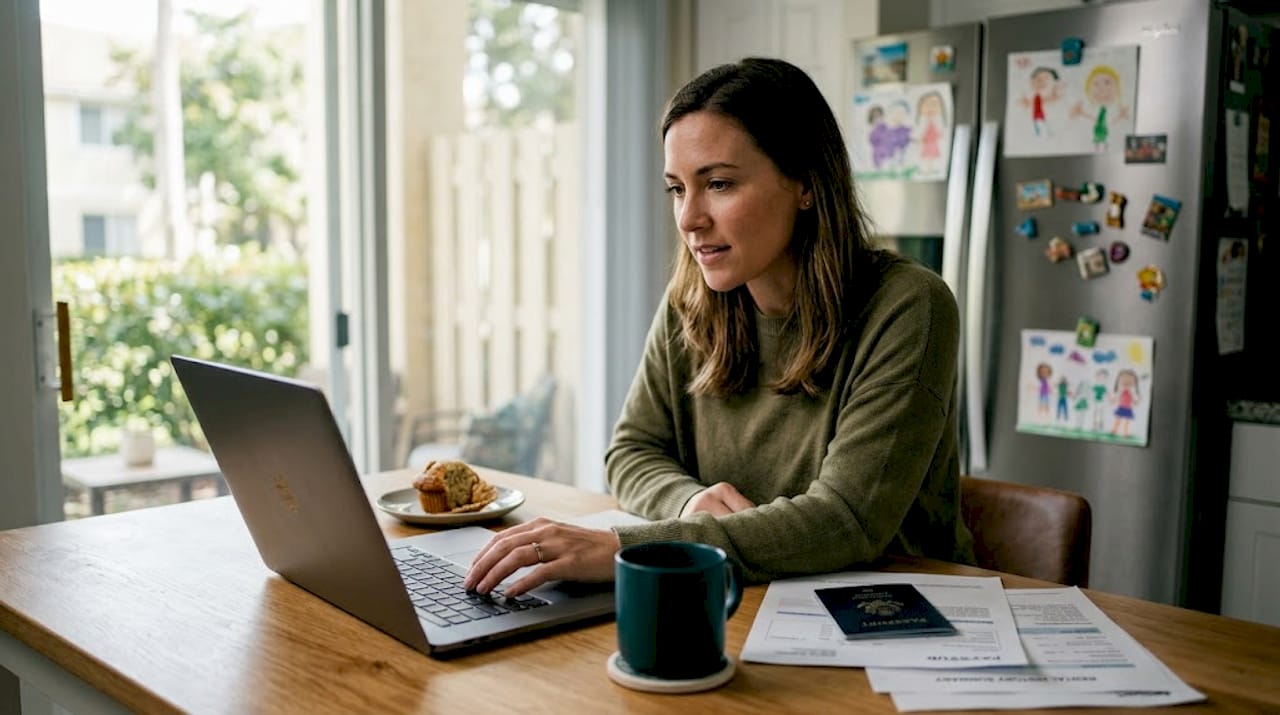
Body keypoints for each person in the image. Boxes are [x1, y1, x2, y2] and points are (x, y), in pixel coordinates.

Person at [463, 57, 973, 597]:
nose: (689, 219)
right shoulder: (693, 297)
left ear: (804, 182)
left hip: (893, 612)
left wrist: (630, 549)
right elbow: (631, 450)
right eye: (677, 189)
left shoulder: (909, 306)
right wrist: (685, 503)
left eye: (720, 184)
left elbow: (846, 520)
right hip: (742, 596)